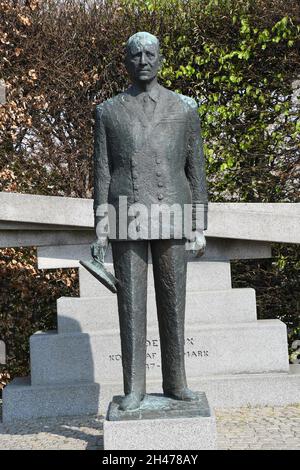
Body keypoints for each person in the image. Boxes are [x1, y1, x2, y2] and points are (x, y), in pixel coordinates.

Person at [91, 32, 208, 411]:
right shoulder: (108, 111)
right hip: (127, 214)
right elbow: (103, 173)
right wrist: (101, 226)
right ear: (125, 61)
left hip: (173, 212)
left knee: (174, 304)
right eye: (135, 54)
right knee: (130, 305)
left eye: (150, 54)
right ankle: (134, 389)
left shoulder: (185, 107)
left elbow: (196, 171)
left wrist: (199, 224)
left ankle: (176, 383)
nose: (143, 59)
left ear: (160, 59)